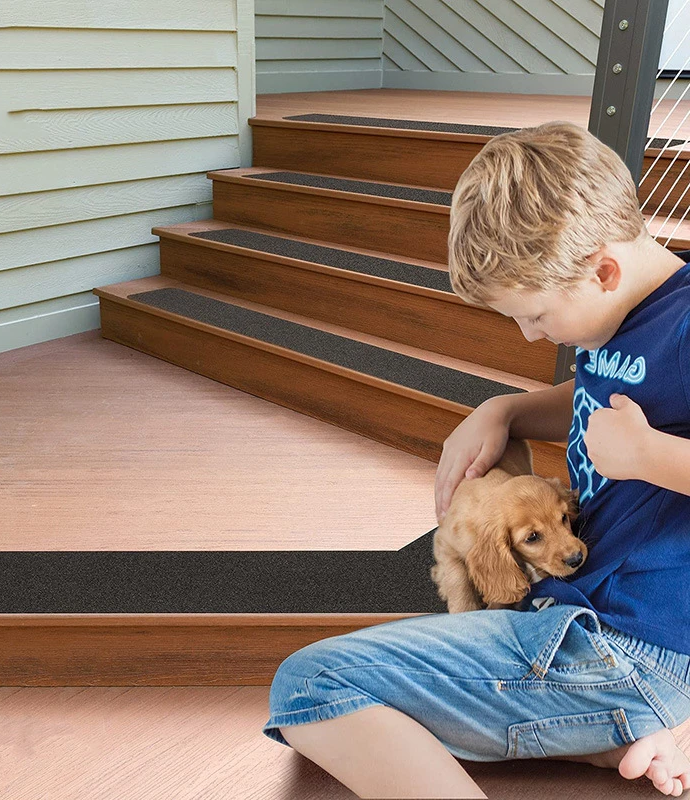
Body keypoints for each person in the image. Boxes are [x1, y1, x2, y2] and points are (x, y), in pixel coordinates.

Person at [261, 120, 690, 799]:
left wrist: (650, 455)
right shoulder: (624, 311)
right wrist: (506, 410)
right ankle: (610, 741)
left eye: (539, 317)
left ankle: (625, 717)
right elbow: (606, 390)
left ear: (603, 270)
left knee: (314, 685)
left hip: (622, 649)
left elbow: (645, 418)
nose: (530, 334)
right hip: (579, 622)